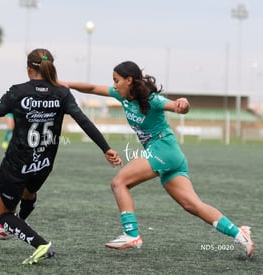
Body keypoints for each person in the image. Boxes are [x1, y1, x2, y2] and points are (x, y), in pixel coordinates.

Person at [63, 61, 254, 257]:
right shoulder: (122, 96)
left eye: (116, 80)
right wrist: (65, 83)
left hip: (162, 150)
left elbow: (178, 107)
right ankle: (240, 233)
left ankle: (132, 235)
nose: (114, 84)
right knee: (192, 205)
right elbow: (93, 88)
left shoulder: (151, 99)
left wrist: (183, 104)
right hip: (171, 155)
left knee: (119, 182)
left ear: (129, 80)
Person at [0, 48, 123, 265]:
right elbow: (83, 121)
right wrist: (105, 148)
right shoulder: (62, 93)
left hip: (16, 165)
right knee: (29, 193)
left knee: (3, 215)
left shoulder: (18, 92)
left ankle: (38, 242)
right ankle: (19, 223)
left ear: (28, 69)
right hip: (43, 164)